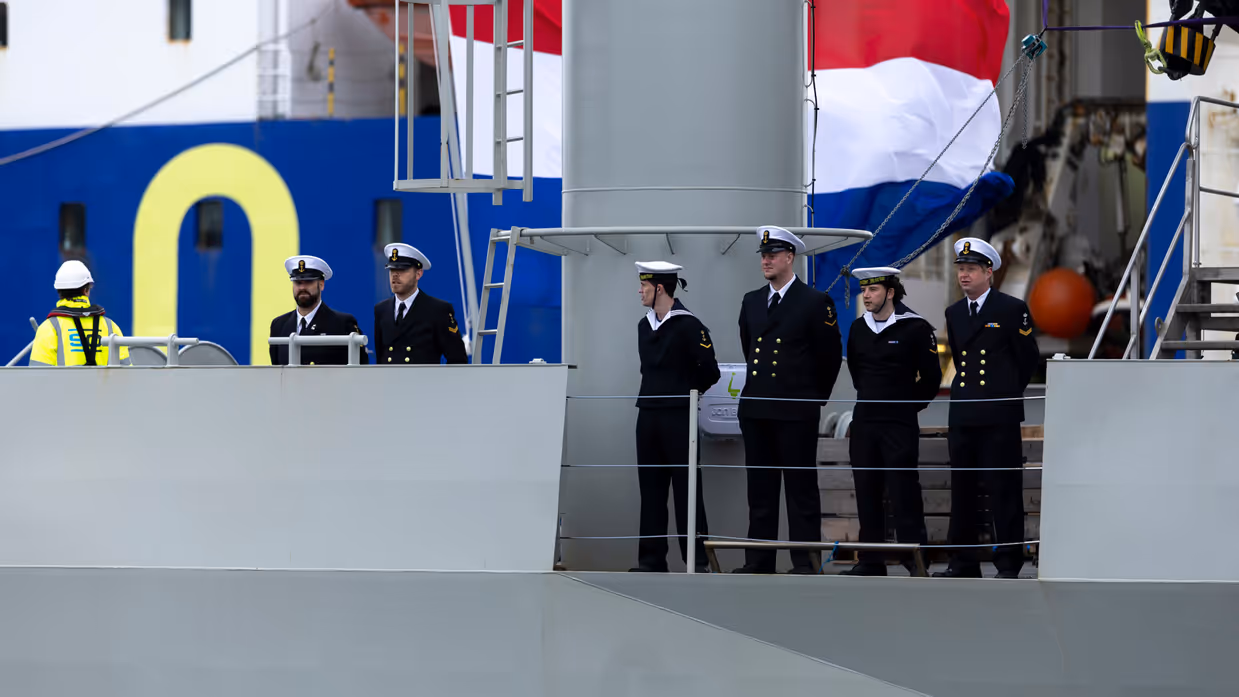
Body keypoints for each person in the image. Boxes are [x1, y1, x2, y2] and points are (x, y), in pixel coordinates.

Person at [733, 226, 843, 574]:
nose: (766, 260)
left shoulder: (814, 302)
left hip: (796, 410)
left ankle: (805, 561)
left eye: (773, 254)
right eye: (763, 255)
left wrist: (812, 400)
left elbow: (828, 356)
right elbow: (750, 347)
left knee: (800, 491)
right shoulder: (752, 301)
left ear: (790, 257)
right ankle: (759, 560)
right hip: (758, 408)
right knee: (760, 492)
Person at [936, 237, 1039, 579]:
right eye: (960, 269)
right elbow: (963, 361)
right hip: (964, 413)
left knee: (1003, 491)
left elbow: (1026, 360)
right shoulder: (953, 313)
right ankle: (962, 562)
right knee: (963, 490)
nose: (963, 275)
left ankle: (1008, 563)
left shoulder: (1011, 309)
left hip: (999, 414)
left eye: (970, 269)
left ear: (988, 272)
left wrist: (1005, 393)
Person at [840, 267, 941, 576]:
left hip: (899, 423)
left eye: (872, 290)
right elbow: (857, 372)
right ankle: (871, 560)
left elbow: (932, 377)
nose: (866, 295)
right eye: (863, 290)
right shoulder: (859, 328)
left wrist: (908, 406)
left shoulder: (915, 327)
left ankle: (915, 558)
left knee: (903, 491)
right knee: (867, 491)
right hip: (866, 421)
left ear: (890, 292)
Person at [631, 261, 721, 573]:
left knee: (687, 490)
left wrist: (686, 390)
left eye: (644, 285)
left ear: (660, 288)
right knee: (651, 491)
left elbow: (711, 370)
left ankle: (696, 560)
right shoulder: (644, 326)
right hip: (648, 415)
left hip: (678, 417)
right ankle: (651, 560)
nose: (639, 290)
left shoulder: (689, 325)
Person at [374, 243, 468, 365]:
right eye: (392, 269)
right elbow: (381, 358)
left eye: (402, 269)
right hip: (389, 382)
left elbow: (457, 360)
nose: (395, 274)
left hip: (424, 383)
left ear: (418, 274)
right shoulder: (381, 310)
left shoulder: (438, 310)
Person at [269, 255, 368, 366]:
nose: (302, 288)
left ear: (321, 284)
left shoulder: (342, 323)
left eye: (308, 282)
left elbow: (360, 368)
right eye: (298, 282)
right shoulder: (279, 325)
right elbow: (277, 373)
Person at [30, 260, 130, 367]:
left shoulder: (48, 328)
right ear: (86, 290)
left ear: (59, 292)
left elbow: (37, 379)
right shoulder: (111, 327)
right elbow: (127, 375)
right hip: (105, 384)